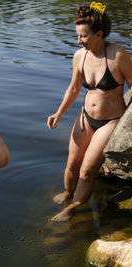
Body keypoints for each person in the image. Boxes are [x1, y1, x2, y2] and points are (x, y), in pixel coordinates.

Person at [47, 2, 132, 222]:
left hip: (110, 121)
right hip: (85, 118)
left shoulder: (118, 56)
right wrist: (58, 113)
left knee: (86, 171)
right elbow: (74, 88)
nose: (78, 41)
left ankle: (74, 206)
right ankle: (68, 193)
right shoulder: (79, 56)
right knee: (72, 164)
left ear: (99, 34)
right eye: (78, 36)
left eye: (83, 36)